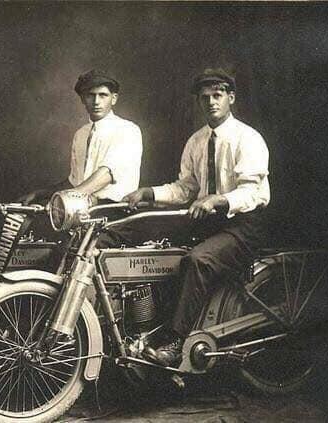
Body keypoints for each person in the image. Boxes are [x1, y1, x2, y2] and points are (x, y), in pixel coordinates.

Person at [123, 68, 270, 367]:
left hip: (245, 224)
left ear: (231, 98)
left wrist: (218, 199)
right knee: (153, 244)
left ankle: (175, 344)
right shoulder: (196, 141)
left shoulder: (248, 139)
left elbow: (252, 192)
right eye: (205, 98)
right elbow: (185, 188)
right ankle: (147, 330)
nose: (211, 103)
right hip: (209, 223)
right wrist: (148, 193)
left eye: (217, 96)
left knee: (197, 260)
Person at [18, 69, 142, 206]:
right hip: (82, 211)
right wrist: (40, 194)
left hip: (115, 213)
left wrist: (66, 199)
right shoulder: (81, 134)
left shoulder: (127, 130)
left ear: (114, 99)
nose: (96, 101)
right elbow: (74, 182)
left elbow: (107, 174)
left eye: (103, 95)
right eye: (90, 95)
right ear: (83, 99)